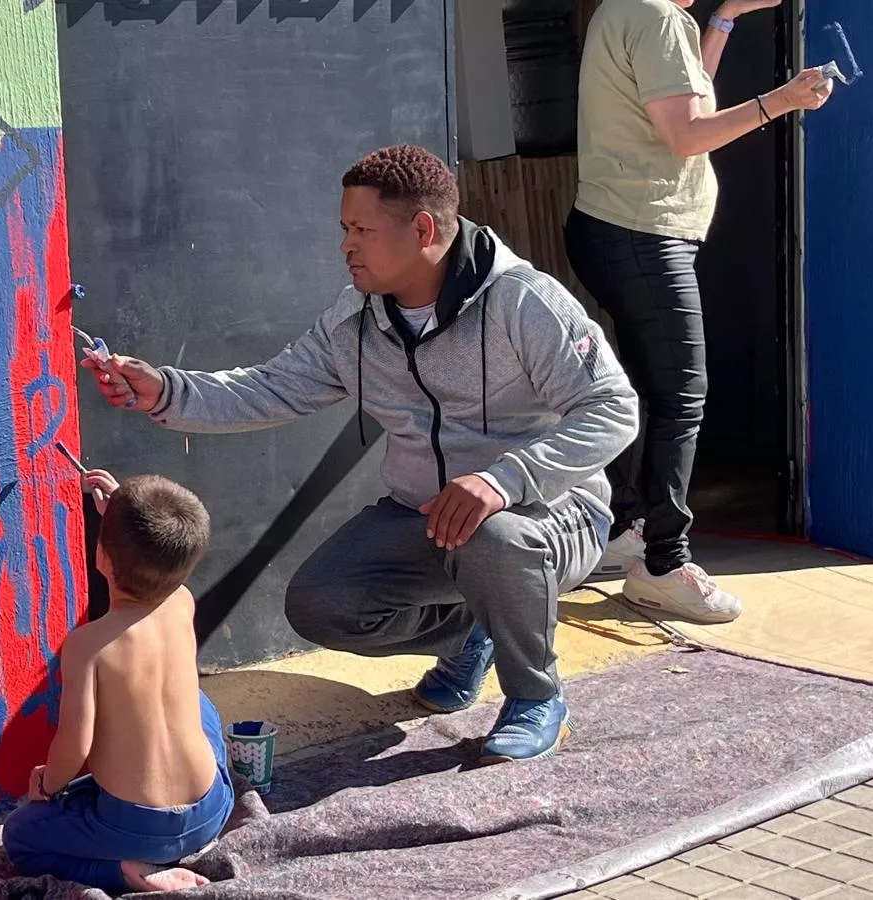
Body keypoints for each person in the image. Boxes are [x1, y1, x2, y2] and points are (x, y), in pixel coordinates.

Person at [82, 145, 639, 763]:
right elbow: (271, 387)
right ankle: (474, 631)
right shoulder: (355, 322)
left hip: (548, 513)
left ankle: (536, 697)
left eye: (362, 230)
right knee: (321, 604)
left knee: (496, 537)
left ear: (423, 228)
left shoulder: (523, 302)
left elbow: (614, 408)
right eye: (344, 229)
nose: (346, 245)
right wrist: (167, 390)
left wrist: (505, 479)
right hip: (425, 517)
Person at [566, 0, 833, 622]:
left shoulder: (631, 11)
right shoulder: (655, 16)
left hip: (616, 229)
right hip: (642, 235)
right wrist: (783, 99)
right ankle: (663, 562)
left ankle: (630, 529)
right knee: (682, 396)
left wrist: (727, 17)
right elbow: (687, 135)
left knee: (649, 393)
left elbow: (690, 102)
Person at [2, 469, 233, 895]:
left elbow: (75, 744)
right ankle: (162, 847)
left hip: (135, 829)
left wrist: (48, 785)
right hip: (212, 810)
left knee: (19, 836)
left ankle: (126, 872)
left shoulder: (88, 645)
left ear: (102, 557)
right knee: (199, 704)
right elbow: (159, 558)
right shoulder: (183, 602)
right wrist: (119, 512)